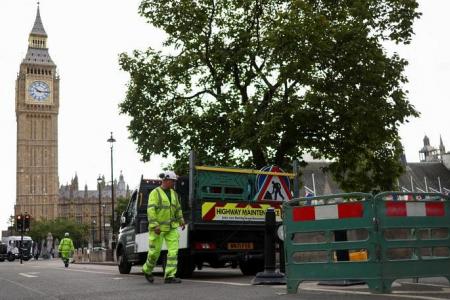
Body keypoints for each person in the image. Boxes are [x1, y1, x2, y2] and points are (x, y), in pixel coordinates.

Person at [142, 170, 185, 284]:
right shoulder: (155, 193)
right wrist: (155, 225)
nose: (174, 183)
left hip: (171, 227)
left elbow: (178, 208)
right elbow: (151, 210)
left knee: (173, 252)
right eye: (172, 181)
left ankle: (169, 276)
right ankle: (147, 270)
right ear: (165, 180)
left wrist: (181, 220)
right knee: (154, 253)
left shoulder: (174, 194)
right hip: (158, 229)